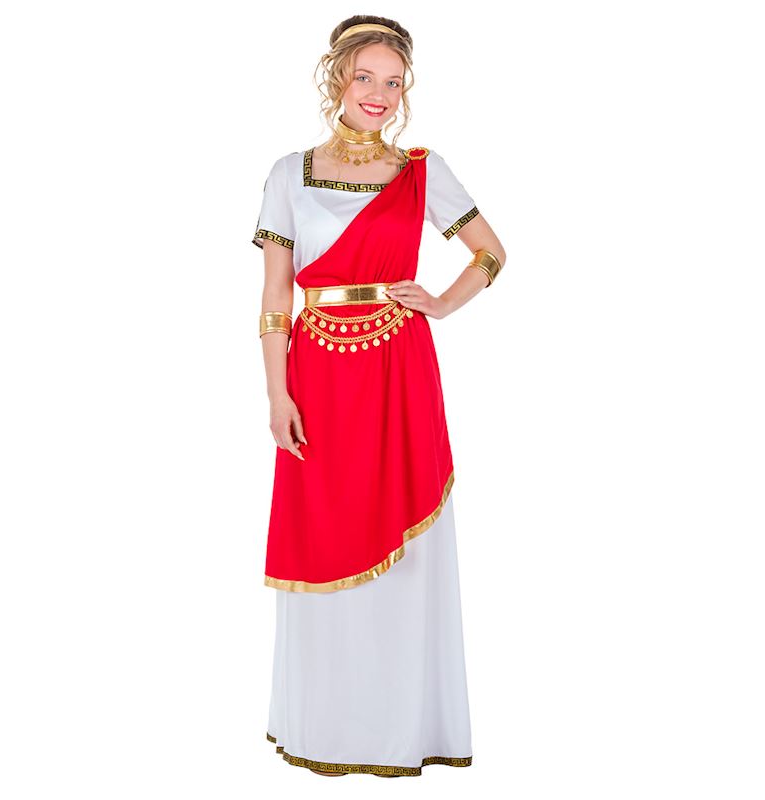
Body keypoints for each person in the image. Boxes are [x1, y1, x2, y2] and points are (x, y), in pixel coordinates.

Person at [253, 15, 506, 778]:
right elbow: (275, 296)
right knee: (325, 528)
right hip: (320, 373)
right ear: (336, 78)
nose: (379, 94)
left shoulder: (421, 170)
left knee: (406, 540)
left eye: (393, 82)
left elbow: (491, 253)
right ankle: (328, 726)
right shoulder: (289, 172)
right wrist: (277, 395)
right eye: (365, 77)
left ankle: (402, 726)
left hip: (401, 365)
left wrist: (443, 302)